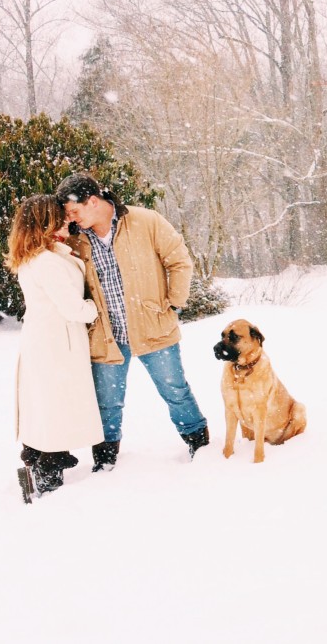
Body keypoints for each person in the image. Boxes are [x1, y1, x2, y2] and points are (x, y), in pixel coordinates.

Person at [55, 173, 209, 470]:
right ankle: (105, 460)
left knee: (175, 390)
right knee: (107, 401)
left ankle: (198, 443)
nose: (70, 218)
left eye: (74, 211)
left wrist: (174, 303)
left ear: (93, 201)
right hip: (105, 333)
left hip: (152, 324)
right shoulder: (76, 238)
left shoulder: (145, 221)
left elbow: (179, 260)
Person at [6, 195, 104, 497]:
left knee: (45, 407)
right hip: (56, 344)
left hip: (48, 340)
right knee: (55, 409)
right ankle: (47, 480)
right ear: (47, 222)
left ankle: (37, 466)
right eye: (61, 217)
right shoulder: (46, 261)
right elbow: (73, 307)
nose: (68, 220)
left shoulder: (41, 255)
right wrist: (97, 307)